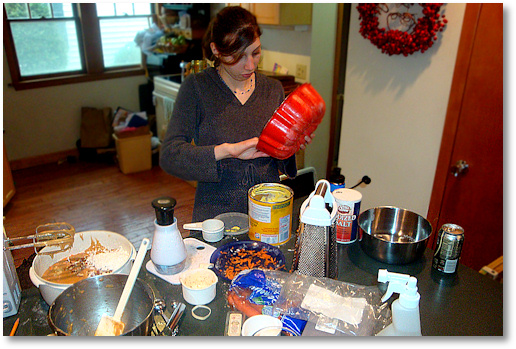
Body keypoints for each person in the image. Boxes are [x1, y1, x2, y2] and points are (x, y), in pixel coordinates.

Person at [159, 6, 313, 222]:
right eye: (238, 56)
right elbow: (171, 156)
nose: (250, 65)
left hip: (268, 211)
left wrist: (291, 143)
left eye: (256, 52)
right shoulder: (197, 88)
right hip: (216, 216)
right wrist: (227, 151)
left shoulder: (273, 89)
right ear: (216, 50)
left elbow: (280, 159)